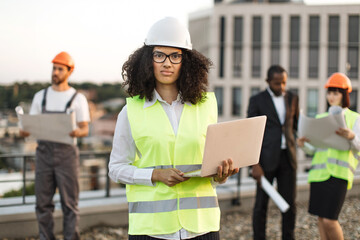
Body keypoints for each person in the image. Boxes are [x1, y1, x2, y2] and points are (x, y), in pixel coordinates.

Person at [108, 17, 239, 240]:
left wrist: (222, 175)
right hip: (151, 230)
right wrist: (155, 175)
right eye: (159, 55)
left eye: (175, 56)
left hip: (201, 227)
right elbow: (116, 168)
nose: (167, 63)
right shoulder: (130, 112)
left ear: (185, 61)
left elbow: (210, 169)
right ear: (148, 60)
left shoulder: (206, 107)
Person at [19, 51, 90, 240]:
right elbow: (29, 128)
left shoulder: (78, 98)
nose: (55, 72)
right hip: (43, 153)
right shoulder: (39, 96)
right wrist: (24, 131)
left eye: (60, 69)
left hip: (67, 154)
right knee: (42, 204)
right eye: (54, 68)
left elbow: (85, 129)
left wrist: (76, 132)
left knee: (69, 204)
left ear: (69, 71)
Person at [297, 72, 360, 240]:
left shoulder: (355, 119)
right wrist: (304, 144)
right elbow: (315, 150)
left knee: (330, 220)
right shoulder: (321, 117)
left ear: (344, 95)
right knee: (320, 219)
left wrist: (352, 136)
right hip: (318, 175)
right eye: (329, 93)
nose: (331, 97)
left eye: (336, 93)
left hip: (338, 175)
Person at [247, 65, 299, 240]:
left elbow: (296, 126)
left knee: (289, 205)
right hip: (264, 160)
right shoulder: (257, 100)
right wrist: (255, 164)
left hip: (288, 158)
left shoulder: (293, 98)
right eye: (277, 83)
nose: (281, 87)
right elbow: (250, 133)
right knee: (261, 205)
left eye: (284, 83)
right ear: (268, 82)